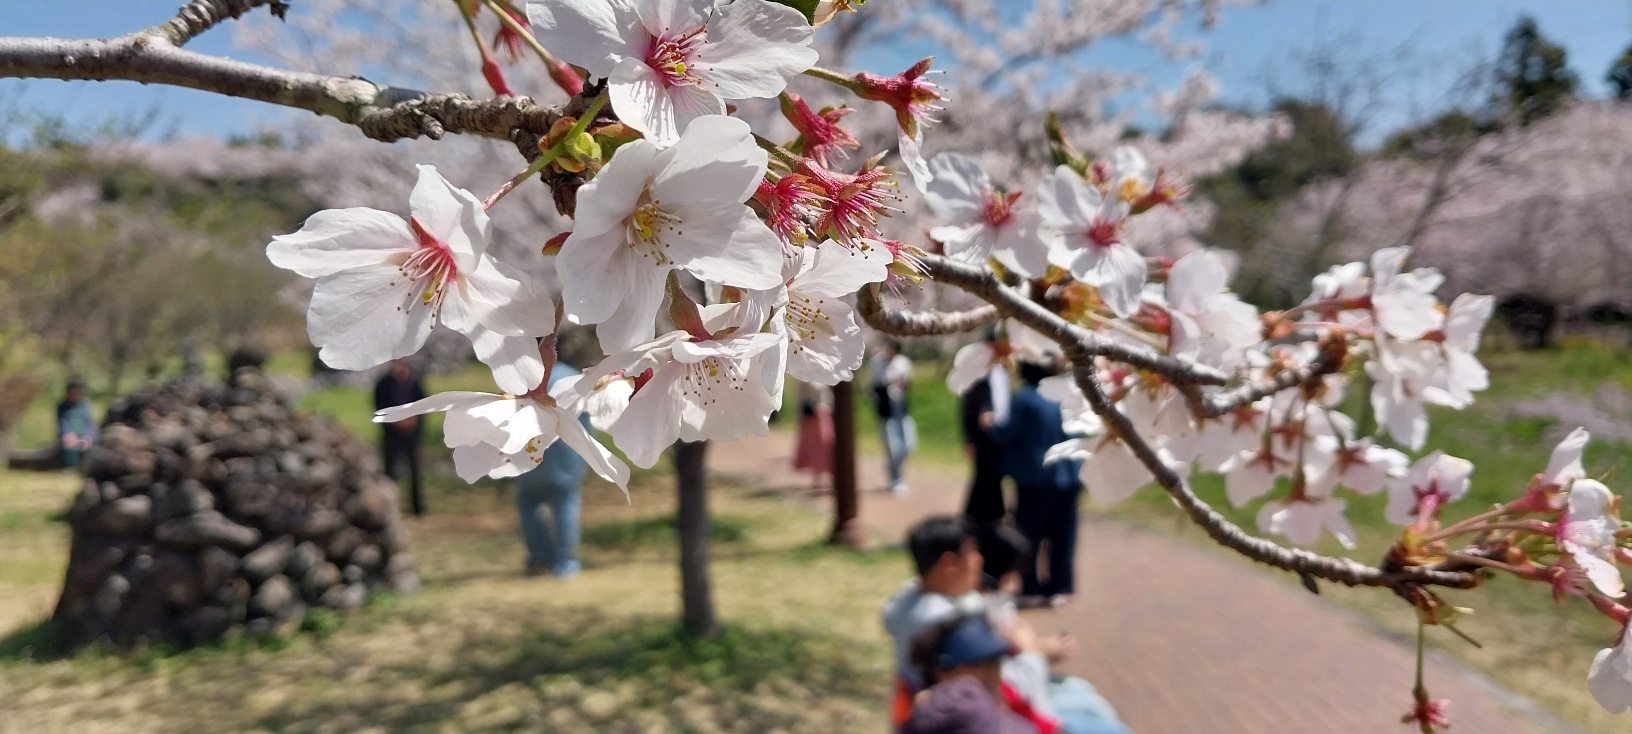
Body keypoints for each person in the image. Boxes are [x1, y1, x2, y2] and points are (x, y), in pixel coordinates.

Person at [983, 358, 1082, 607]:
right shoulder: (1067, 395)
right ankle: (1061, 588)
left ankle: (1031, 588)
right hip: (1069, 475)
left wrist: (990, 424)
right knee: (1064, 535)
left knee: (1029, 536)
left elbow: (1006, 433)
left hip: (1033, 478)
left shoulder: (1024, 398)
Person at [516, 362, 591, 578]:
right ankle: (565, 562)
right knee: (565, 503)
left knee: (528, 502)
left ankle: (539, 556)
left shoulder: (519, 377)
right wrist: (591, 453)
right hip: (565, 454)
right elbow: (585, 421)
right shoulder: (572, 378)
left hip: (527, 454)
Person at [905, 616, 1041, 734]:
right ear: (942, 673)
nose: (992, 671)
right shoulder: (937, 721)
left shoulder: (1008, 693)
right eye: (978, 663)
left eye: (995, 660)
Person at [960, 329, 1010, 529]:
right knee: (984, 473)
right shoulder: (978, 373)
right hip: (982, 433)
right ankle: (976, 515)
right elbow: (967, 407)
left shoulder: (1002, 371)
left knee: (993, 473)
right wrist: (969, 439)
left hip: (1000, 430)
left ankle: (992, 512)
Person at [373, 359, 427, 516]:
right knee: (390, 471)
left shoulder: (415, 382)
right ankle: (390, 508)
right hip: (392, 435)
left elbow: (424, 405)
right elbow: (379, 407)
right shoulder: (383, 384)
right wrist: (394, 422)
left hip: (412, 434)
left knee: (415, 472)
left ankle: (417, 508)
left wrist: (413, 422)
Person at [869, 339, 915, 494]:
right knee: (893, 448)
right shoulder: (876, 362)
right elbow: (874, 385)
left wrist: (902, 382)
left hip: (901, 409)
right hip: (885, 411)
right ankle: (895, 479)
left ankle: (892, 467)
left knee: (909, 445)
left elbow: (908, 383)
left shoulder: (903, 363)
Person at [791, 381, 834, 489]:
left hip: (823, 416)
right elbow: (800, 397)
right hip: (811, 418)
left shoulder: (823, 375)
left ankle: (827, 475)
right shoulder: (804, 378)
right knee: (815, 448)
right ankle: (818, 477)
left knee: (827, 445)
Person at [56, 378, 96, 470]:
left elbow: (90, 423)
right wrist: (67, 434)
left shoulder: (85, 405)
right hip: (70, 435)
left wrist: (88, 436)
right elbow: (62, 422)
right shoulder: (62, 406)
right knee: (69, 446)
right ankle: (71, 467)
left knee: (88, 448)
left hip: (84, 434)